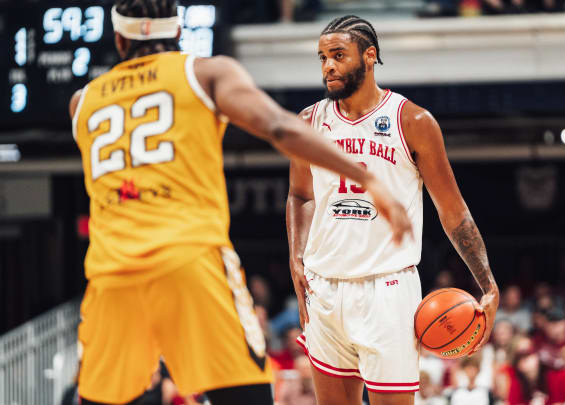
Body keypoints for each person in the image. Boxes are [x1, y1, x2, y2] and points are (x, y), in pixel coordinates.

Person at [69, 3, 413, 404]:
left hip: (112, 275)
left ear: (120, 39)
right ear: (179, 34)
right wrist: (366, 177)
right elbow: (279, 126)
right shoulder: (204, 73)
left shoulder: (82, 102)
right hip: (190, 260)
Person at [287, 15, 500, 405]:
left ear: (369, 57)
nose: (328, 66)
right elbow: (300, 196)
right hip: (324, 286)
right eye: (321, 57)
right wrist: (296, 259)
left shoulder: (412, 121)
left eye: (337, 55)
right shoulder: (309, 122)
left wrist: (486, 283)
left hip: (386, 290)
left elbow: (453, 211)